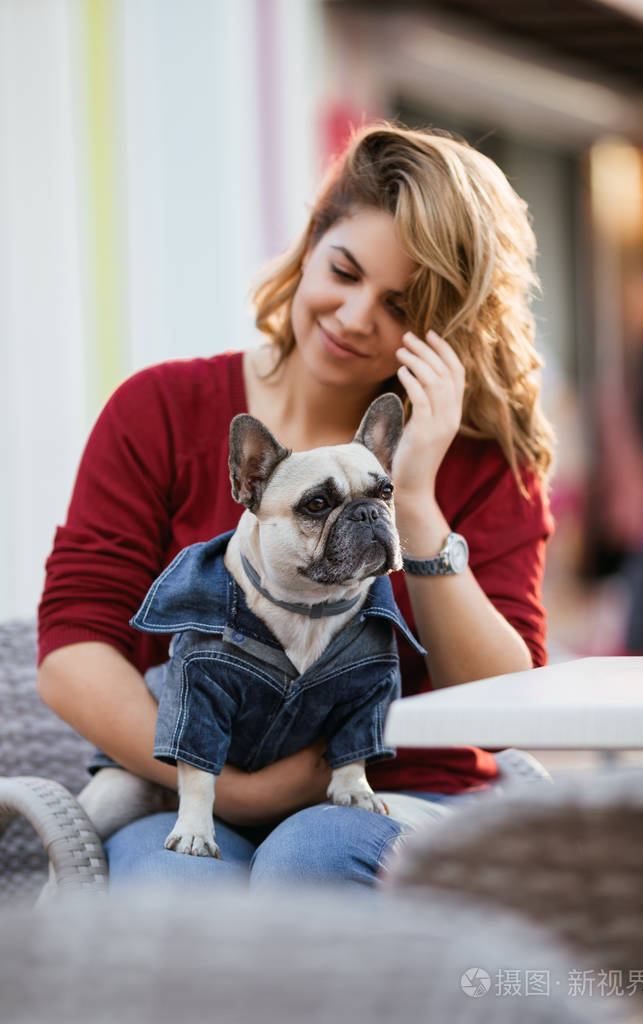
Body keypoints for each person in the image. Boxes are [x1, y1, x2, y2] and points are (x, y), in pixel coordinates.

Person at [37, 122, 554, 889]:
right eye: (343, 271)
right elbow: (74, 648)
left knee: (310, 859)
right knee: (174, 892)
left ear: (446, 326)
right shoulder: (162, 410)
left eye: (400, 305)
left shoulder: (480, 458)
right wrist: (227, 786)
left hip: (405, 795)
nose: (353, 316)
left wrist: (410, 495)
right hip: (187, 787)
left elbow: (498, 709)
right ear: (311, 240)